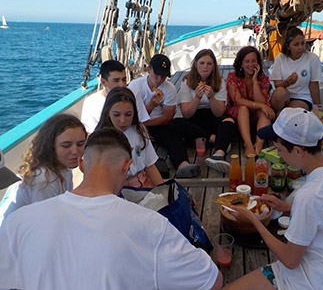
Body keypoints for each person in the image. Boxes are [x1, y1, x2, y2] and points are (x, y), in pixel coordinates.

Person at [0, 127, 223, 290]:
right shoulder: (150, 224)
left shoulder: (16, 222)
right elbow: (212, 281)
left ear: (81, 164)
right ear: (127, 167)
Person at [223, 108, 323, 290]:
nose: (280, 157)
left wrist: (254, 220)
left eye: (280, 150)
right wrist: (285, 207)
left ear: (299, 151)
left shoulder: (309, 195)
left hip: (310, 281)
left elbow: (290, 260)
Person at [0, 114, 87, 220]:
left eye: (80, 144)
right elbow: (47, 222)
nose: (75, 151)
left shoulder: (64, 168)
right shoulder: (44, 180)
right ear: (50, 146)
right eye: (66, 145)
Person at [128, 54, 201, 178]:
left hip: (158, 124)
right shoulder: (135, 87)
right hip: (137, 126)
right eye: (156, 75)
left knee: (176, 129)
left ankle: (183, 165)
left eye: (163, 76)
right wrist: (150, 106)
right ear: (148, 70)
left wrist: (146, 122)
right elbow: (132, 119)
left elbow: (167, 118)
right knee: (173, 132)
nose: (159, 79)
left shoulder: (169, 88)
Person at [170, 49, 236, 173]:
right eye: (202, 63)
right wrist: (197, 97)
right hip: (194, 118)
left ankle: (218, 154)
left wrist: (211, 97)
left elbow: (219, 113)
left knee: (229, 121)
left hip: (212, 116)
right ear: (195, 64)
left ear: (214, 66)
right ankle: (215, 139)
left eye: (209, 63)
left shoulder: (220, 82)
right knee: (175, 123)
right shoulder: (186, 81)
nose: (205, 67)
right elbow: (186, 113)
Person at [95, 87, 163, 188]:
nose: (123, 120)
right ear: (108, 113)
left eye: (128, 114)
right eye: (116, 115)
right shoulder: (99, 140)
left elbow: (150, 166)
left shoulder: (140, 130)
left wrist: (165, 191)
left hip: (142, 183)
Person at [226, 46, 275, 155]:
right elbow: (238, 101)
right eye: (247, 61)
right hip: (238, 114)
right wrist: (261, 106)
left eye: (253, 61)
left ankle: (259, 143)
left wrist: (254, 81)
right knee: (243, 108)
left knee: (265, 112)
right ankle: (247, 143)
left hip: (255, 115)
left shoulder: (263, 78)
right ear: (241, 64)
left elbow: (262, 101)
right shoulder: (232, 77)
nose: (251, 64)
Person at [81, 59, 149, 133]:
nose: (122, 84)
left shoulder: (134, 95)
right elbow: (90, 133)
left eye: (124, 80)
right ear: (103, 82)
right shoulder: (90, 102)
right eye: (116, 80)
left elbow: (142, 122)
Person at [270, 27, 322, 113]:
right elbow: (277, 85)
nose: (301, 47)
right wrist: (287, 83)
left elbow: (314, 85)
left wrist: (318, 107)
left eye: (302, 43)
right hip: (284, 96)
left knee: (284, 115)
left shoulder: (312, 58)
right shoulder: (280, 58)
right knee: (279, 94)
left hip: (302, 97)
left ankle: (278, 117)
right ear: (288, 46)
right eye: (296, 44)